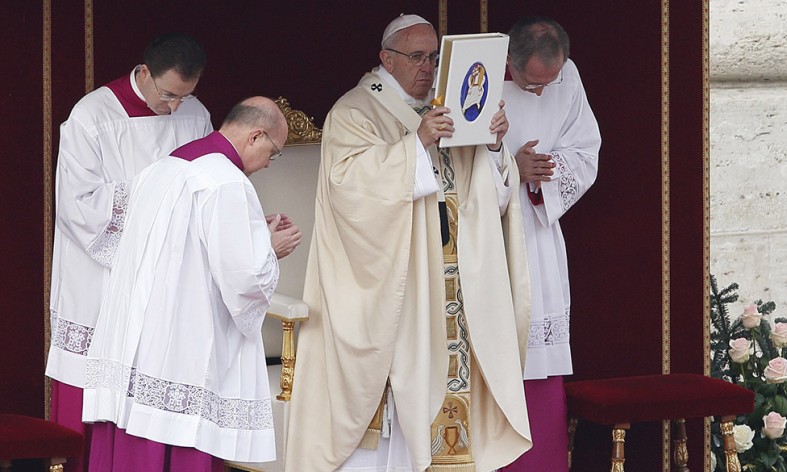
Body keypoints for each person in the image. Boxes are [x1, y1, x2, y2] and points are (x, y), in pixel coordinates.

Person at [285, 14, 532, 472]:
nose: (427, 67)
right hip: (396, 289)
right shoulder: (355, 112)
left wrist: (494, 144)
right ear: (387, 59)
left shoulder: (454, 111)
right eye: (417, 57)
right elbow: (349, 192)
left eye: (434, 58)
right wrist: (415, 145)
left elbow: (490, 198)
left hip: (449, 287)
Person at [79, 96, 302, 470]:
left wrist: (251, 235)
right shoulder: (226, 182)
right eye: (272, 152)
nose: (267, 164)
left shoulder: (163, 168)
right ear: (255, 135)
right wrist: (267, 246)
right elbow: (243, 279)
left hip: (137, 344)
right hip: (179, 350)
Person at [45, 32, 212, 472]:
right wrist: (155, 198)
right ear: (144, 72)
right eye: (169, 95)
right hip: (102, 278)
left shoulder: (195, 114)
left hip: (168, 279)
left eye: (186, 95)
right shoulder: (93, 116)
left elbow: (211, 184)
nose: (176, 107)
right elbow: (78, 205)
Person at [498, 16, 600, 471]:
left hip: (536, 233)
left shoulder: (567, 77)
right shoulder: (474, 72)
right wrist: (507, 168)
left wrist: (543, 175)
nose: (540, 92)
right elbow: (445, 160)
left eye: (548, 83)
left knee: (538, 356)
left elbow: (585, 150)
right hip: (486, 232)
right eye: (530, 83)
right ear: (509, 61)